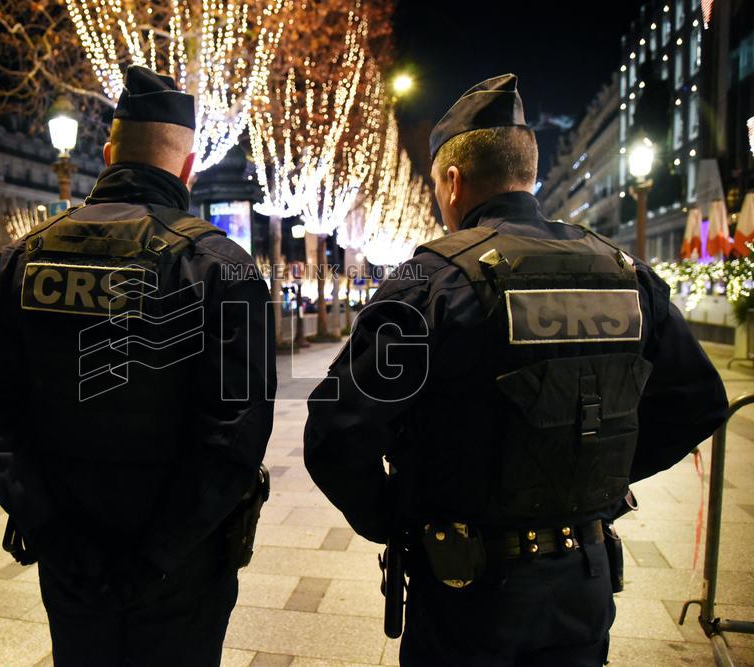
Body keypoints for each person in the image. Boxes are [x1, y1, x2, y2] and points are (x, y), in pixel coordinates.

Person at [303, 74, 728, 666]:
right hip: (583, 579)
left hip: (467, 589)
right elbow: (700, 401)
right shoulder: (623, 272)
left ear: (452, 182)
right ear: (528, 174)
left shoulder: (432, 282)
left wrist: (396, 520)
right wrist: (595, 471)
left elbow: (336, 431)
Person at [0, 65, 276, 666]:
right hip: (182, 566)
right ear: (187, 166)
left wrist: (51, 529)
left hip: (68, 551)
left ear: (106, 154)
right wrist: (159, 552)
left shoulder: (23, 258)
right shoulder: (218, 265)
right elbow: (234, 434)